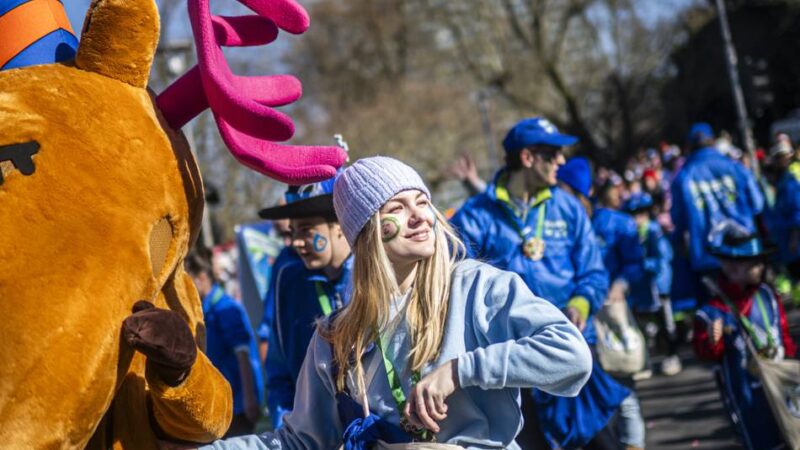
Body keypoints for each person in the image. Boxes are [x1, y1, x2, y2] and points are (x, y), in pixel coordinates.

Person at [201, 156, 592, 450]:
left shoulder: (477, 287)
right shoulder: (336, 336)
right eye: (397, 209)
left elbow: (572, 356)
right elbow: (298, 440)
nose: (419, 217)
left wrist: (459, 370)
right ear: (367, 233)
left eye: (422, 203)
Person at [451, 118, 627, 450]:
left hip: (571, 348)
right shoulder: (475, 216)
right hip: (513, 363)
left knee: (601, 442)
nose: (562, 161)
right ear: (528, 158)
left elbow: (593, 271)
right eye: (554, 154)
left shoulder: (568, 207)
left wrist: (581, 303)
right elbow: (457, 285)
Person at [257, 175, 353, 429]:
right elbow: (280, 374)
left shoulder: (375, 276)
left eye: (307, 230)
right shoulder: (288, 280)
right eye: (293, 231)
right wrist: (287, 430)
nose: (297, 242)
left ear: (341, 226)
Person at [693, 220, 797, 450]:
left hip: (781, 386)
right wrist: (712, 339)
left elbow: (784, 338)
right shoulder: (712, 311)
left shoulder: (767, 295)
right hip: (746, 397)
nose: (760, 268)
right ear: (730, 267)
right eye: (753, 264)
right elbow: (706, 354)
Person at [670, 122, 765, 305]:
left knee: (719, 316)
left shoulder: (683, 177)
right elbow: (757, 204)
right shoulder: (735, 167)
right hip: (745, 250)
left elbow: (678, 219)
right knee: (754, 309)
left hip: (709, 257)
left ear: (689, 147)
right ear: (713, 142)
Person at [186, 254, 264, 437]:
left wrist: (249, 399)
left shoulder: (226, 308)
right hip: (221, 402)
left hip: (237, 404)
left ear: (202, 277)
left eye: (187, 279)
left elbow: (243, 356)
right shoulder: (206, 309)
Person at [622, 193, 681, 376]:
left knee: (666, 323)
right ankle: (644, 361)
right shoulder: (630, 234)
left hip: (657, 287)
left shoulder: (654, 232)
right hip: (640, 289)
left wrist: (644, 265)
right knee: (641, 327)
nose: (636, 218)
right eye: (633, 214)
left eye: (640, 213)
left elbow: (664, 258)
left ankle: (672, 356)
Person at [766, 134, 800, 282]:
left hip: (793, 240)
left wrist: (795, 236)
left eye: (782, 156)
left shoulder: (790, 182)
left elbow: (797, 210)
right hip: (786, 239)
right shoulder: (782, 181)